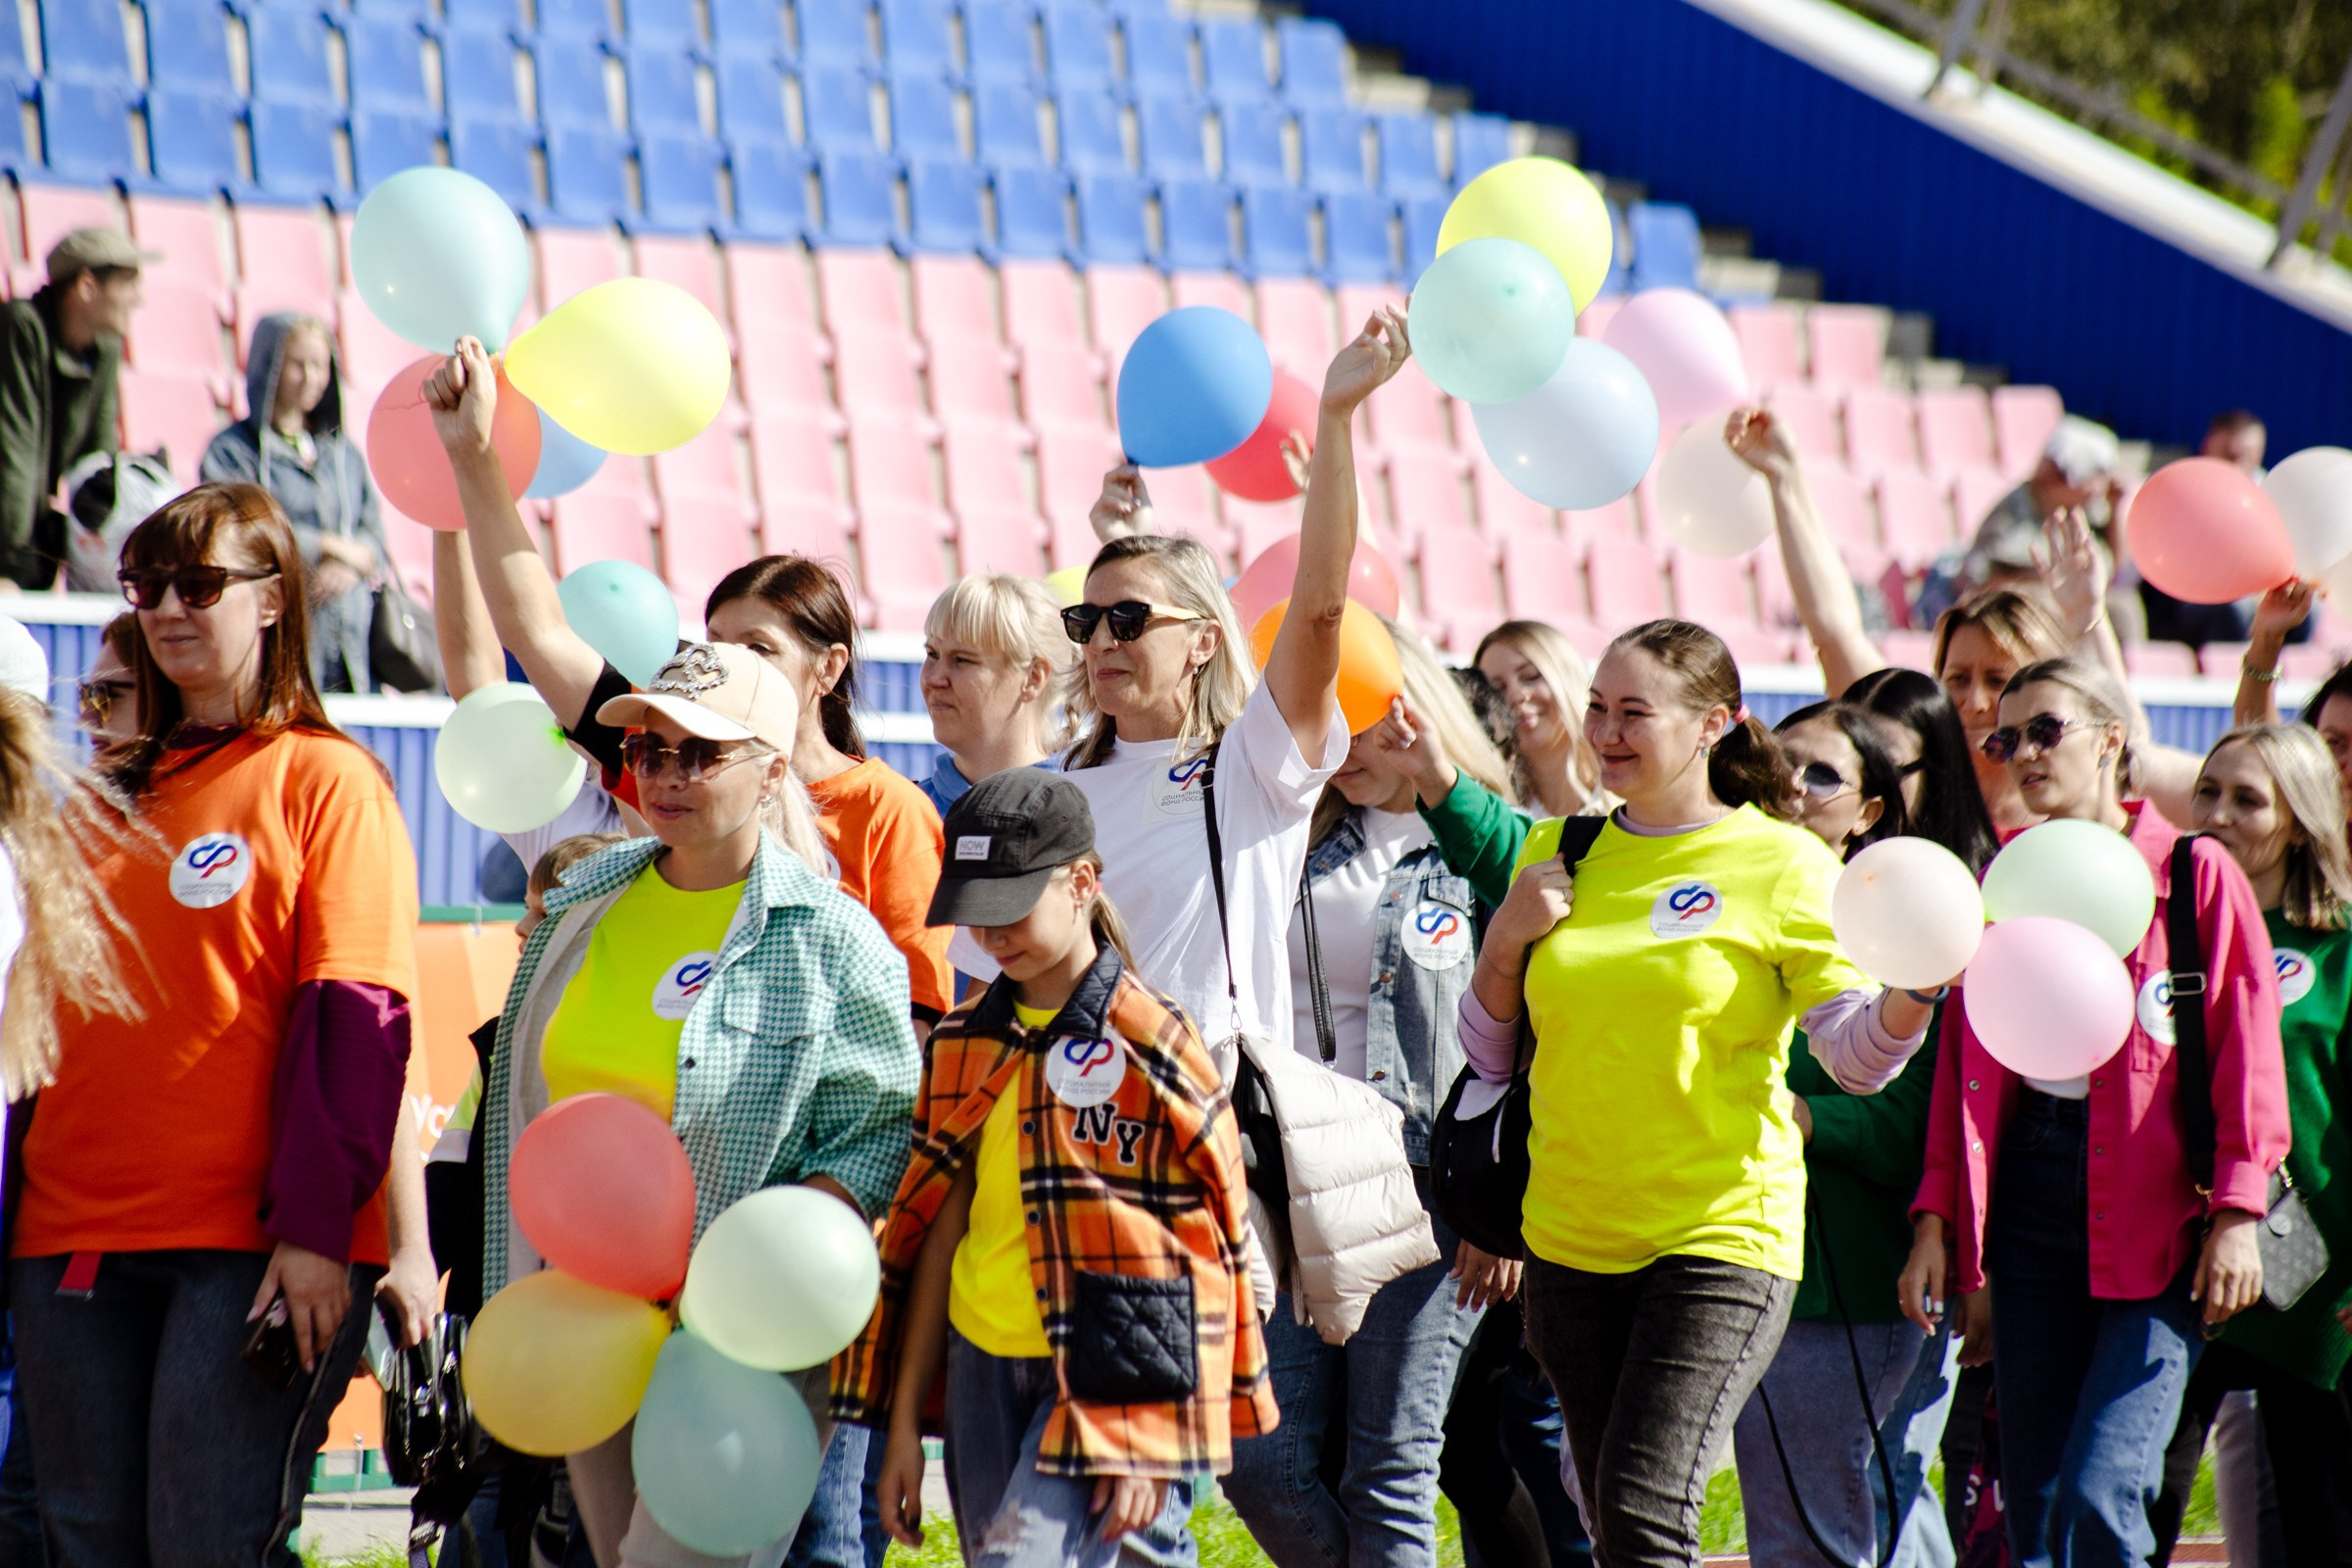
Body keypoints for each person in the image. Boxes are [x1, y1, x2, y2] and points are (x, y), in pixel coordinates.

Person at [1457, 618, 1940, 1568]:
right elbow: (1487, 1053)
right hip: (1569, 1238)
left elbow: (1853, 1058)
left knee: (1643, 1508)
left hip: (1717, 1233)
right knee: (1606, 1511)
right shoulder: (1561, 849)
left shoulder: (1784, 860)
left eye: (1635, 711)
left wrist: (1914, 992)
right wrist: (1508, 939)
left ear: (1717, 722)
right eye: (1597, 707)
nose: (1605, 730)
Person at [9, 482, 420, 1566]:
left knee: (207, 1544)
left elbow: (360, 1015)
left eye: (200, 584)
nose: (167, 609)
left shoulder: (327, 779)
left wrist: (319, 1229)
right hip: (67, 1237)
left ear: (275, 600)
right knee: (82, 1542)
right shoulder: (102, 801)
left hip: (250, 1245)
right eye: (147, 586)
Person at [475, 640, 920, 1568]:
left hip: (745, 1335)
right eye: (647, 752)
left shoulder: (835, 939)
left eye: (699, 753)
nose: (665, 775)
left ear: (771, 771)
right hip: (587, 1308)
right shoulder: (581, 902)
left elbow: (878, 1130)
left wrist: (772, 1263)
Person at [423, 338, 953, 1033]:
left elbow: (916, 1017)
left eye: (759, 648)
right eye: (719, 645)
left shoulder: (889, 811)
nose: (731, 666)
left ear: (829, 669)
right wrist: (471, 454)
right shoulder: (664, 753)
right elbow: (538, 633)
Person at [1901, 659, 2290, 1568]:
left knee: (2101, 1483)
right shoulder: (1998, 882)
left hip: (2166, 1218)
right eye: (2006, 739)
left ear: (2112, 738)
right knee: (2032, 1499)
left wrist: (2238, 1213)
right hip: (2033, 1201)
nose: (2023, 755)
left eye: (2047, 731)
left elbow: (2248, 1051)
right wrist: (1943, 1223)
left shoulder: (2195, 871)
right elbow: (1967, 1067)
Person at [850, 768, 1274, 1568]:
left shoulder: (1152, 1040)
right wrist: (904, 1420)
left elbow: (1204, 1244)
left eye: (1010, 907)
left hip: (1102, 1364)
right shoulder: (961, 1040)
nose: (993, 933)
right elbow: (936, 1231)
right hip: (979, 1362)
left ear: (1081, 882)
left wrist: (1147, 1432)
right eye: (975, 915)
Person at [1220, 623, 1513, 1568]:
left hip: (1429, 1185)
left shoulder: (1482, 847)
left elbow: (1540, 1029)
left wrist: (1499, 1211)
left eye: (1366, 723)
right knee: (1260, 1464)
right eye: (1329, 727)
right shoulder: (1291, 841)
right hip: (1296, 1174)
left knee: (1390, 1467)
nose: (1343, 749)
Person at [1728, 406, 2203, 830]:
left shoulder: (2095, 787)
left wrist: (2088, 619)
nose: (1974, 702)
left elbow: (2144, 749)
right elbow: (1835, 633)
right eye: (1956, 678)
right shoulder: (1915, 758)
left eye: (1999, 680)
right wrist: (1784, 479)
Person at [1732, 702, 1952, 1568]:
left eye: (1822, 773)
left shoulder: (1905, 927)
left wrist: (1808, 1117)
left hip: (1840, 1282)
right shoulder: (1717, 899)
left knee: (1809, 1527)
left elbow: (1913, 1127)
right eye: (1784, 762)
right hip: (1711, 1251)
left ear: (1869, 814)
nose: (1794, 784)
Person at [2145, 724, 2352, 1566]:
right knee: (2139, 1503)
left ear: (2299, 821)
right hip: (2174, 1258)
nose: (2217, 815)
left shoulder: (2342, 946)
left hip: (2319, 1270)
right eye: (2207, 793)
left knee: (2323, 1519)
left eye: (2247, 799)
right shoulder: (2152, 930)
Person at [202, 314, 388, 694]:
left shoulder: (342, 454)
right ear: (269, 366)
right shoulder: (232, 452)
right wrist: (326, 546)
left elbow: (373, 536)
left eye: (320, 365)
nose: (311, 378)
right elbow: (234, 531)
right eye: (298, 365)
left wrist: (349, 569)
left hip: (350, 645)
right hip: (277, 643)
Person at [0, 227, 149, 588]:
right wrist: (9, 565)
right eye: (127, 284)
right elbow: (14, 449)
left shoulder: (105, 348)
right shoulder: (20, 326)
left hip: (32, 548)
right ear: (86, 286)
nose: (138, 299)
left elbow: (98, 463)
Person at [917, 573, 1072, 813]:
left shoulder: (1080, 814)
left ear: (1033, 677)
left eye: (962, 660)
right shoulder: (899, 812)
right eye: (932, 654)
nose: (933, 679)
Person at [1473, 620, 1606, 819]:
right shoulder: (1492, 814)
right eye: (1497, 689)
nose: (1517, 696)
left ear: (1567, 678)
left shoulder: (1627, 796)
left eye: (1530, 676)